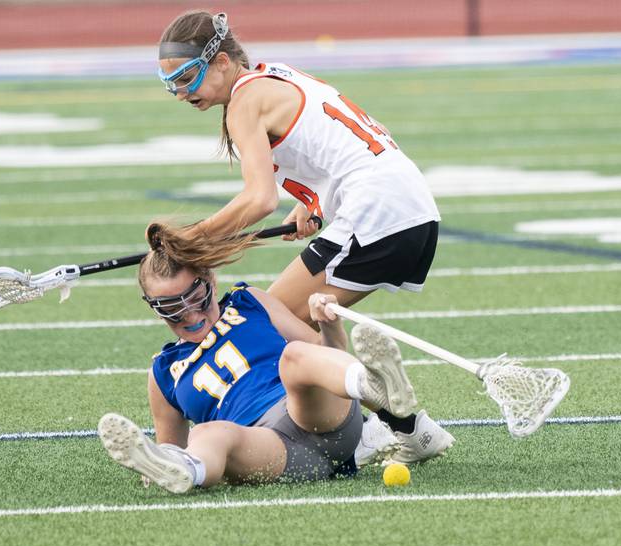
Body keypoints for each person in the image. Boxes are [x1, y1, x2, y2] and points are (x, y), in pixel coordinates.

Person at [154, 11, 454, 464]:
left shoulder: (243, 101)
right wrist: (314, 202)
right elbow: (333, 145)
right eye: (170, 84)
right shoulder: (271, 76)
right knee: (283, 320)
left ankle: (385, 430)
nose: (180, 93)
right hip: (401, 204)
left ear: (220, 63)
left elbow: (257, 200)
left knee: (266, 321)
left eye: (186, 77)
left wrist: (190, 239)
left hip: (376, 210)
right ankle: (400, 429)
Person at [98, 224, 418, 492]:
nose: (191, 316)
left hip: (322, 417)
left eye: (197, 300)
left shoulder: (249, 301)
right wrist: (160, 462)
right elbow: (171, 447)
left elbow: (325, 352)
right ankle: (193, 472)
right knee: (207, 434)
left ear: (210, 279)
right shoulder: (163, 373)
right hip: (272, 451)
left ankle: (371, 384)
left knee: (294, 357)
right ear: (153, 308)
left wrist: (329, 324)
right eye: (172, 310)